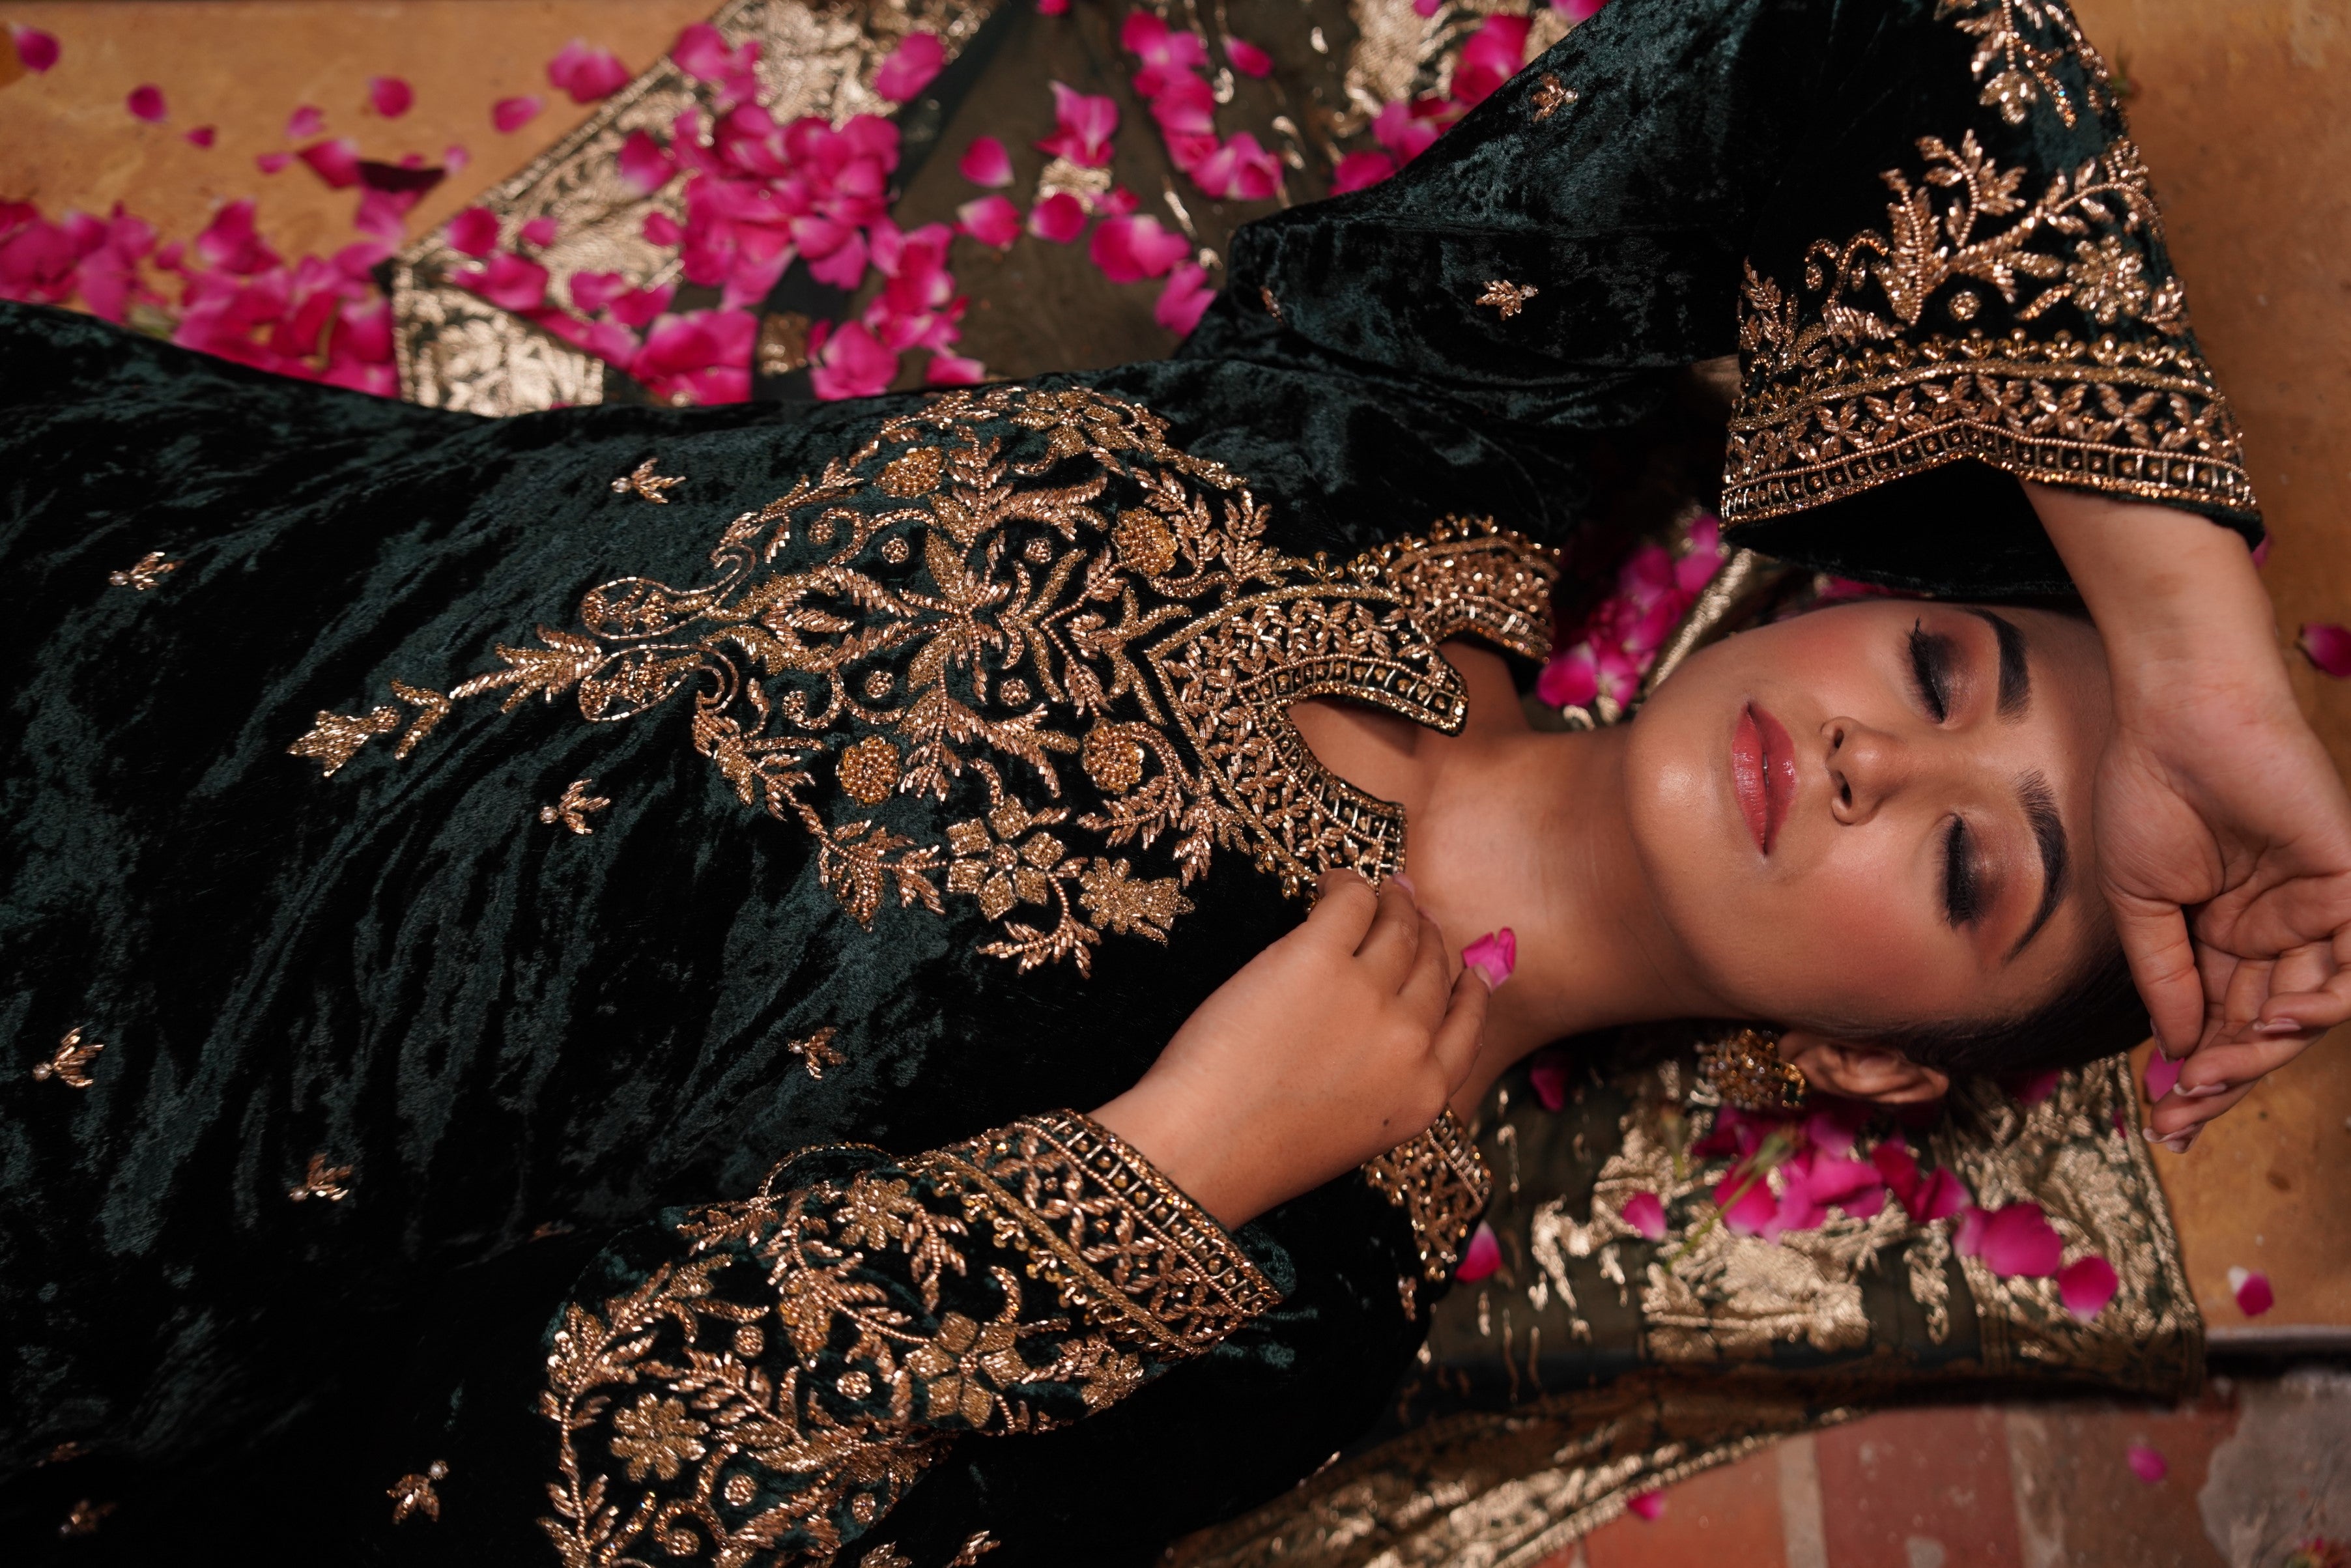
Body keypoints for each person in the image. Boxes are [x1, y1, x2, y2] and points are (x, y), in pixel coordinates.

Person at [2, 1, 2344, 1564]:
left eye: (1967, 860)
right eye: (1937, 664)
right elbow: (1866, 37)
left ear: (1865, 1064)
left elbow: (539, 1501)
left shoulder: (1294, 1285)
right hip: (106, 538)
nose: (1867, 753)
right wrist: (2189, 661)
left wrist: (1158, 1170)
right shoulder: (1413, 439)